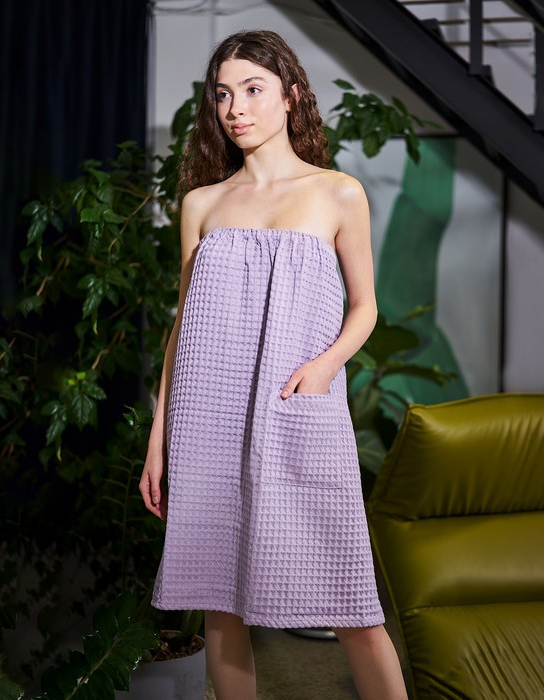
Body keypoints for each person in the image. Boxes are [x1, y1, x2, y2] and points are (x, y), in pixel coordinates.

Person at [139, 29, 408, 700]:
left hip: (298, 406)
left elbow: (366, 308)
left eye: (253, 90)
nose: (236, 108)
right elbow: (182, 325)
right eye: (223, 94)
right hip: (207, 418)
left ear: (290, 97)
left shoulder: (337, 193)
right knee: (219, 601)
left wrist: (325, 367)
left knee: (353, 603)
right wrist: (158, 436)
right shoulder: (201, 203)